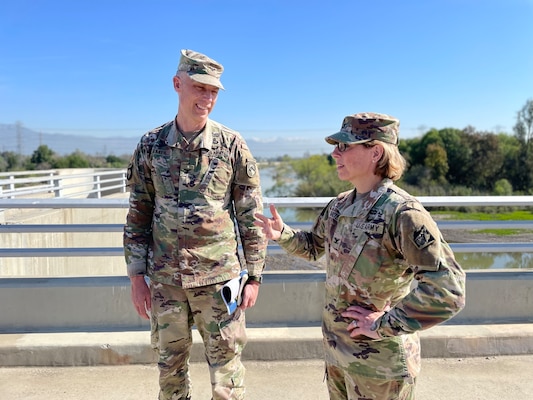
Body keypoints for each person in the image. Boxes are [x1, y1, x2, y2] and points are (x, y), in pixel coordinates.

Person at [254, 112, 466, 400]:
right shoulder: (340, 205)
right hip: (338, 357)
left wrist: (382, 325)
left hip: (381, 368)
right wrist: (283, 235)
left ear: (375, 152)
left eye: (345, 146)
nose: (334, 153)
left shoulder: (402, 213)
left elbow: (448, 290)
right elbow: (315, 247)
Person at [124, 49, 267, 400]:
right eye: (200, 88)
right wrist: (136, 277)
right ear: (177, 84)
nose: (207, 98)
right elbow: (138, 213)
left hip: (219, 281)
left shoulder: (232, 145)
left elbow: (250, 215)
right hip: (165, 281)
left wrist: (255, 275)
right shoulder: (151, 145)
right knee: (169, 370)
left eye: (214, 91)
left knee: (226, 375)